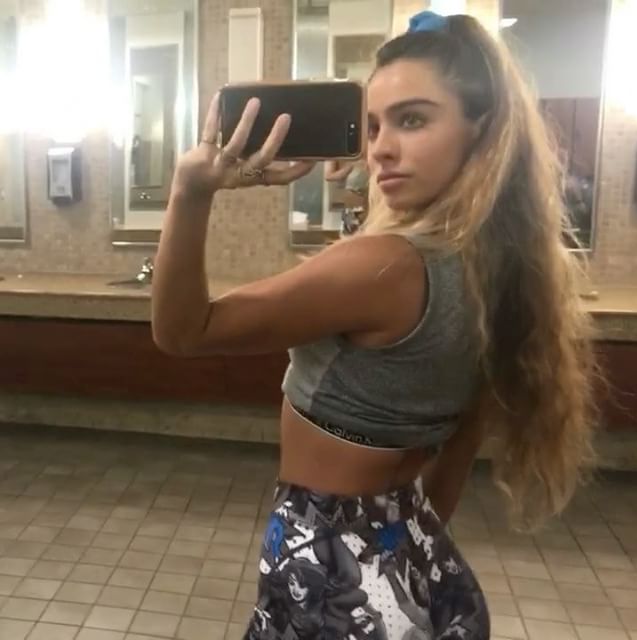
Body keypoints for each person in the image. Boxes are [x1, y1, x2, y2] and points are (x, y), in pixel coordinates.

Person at [151, 9, 597, 640]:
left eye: (412, 120)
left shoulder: (383, 267)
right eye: (372, 126)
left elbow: (183, 330)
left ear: (482, 129)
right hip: (411, 551)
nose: (380, 148)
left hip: (330, 571)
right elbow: (462, 440)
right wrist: (396, 557)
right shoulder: (494, 264)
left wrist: (191, 190)